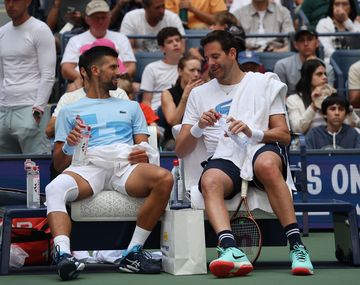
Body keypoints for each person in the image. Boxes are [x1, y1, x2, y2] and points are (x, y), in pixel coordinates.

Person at [175, 30, 314, 278]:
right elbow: (181, 150)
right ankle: (230, 249)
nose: (211, 64)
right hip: (224, 157)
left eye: (216, 56)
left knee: (268, 165)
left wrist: (254, 132)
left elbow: (283, 135)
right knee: (209, 180)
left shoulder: (263, 84)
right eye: (207, 58)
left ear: (232, 53)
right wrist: (199, 127)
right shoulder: (198, 94)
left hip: (259, 147)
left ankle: (297, 247)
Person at [46, 46, 172, 281]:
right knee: (54, 188)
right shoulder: (68, 111)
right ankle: (63, 255)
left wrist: (142, 154)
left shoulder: (132, 107)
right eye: (113, 67)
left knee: (164, 178)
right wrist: (68, 146)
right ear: (94, 70)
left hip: (124, 167)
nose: (119, 72)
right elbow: (59, 164)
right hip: (86, 168)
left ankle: (132, 253)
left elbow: (143, 147)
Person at [0, 0, 56, 154]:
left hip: (30, 108)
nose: (10, 5)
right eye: (7, 0)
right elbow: (1, 75)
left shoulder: (40, 29)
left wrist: (38, 108)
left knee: (36, 169)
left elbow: (48, 74)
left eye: (15, 0)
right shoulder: (2, 32)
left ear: (27, 2)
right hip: (4, 110)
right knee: (5, 172)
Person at [61, 0, 136, 91]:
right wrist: (87, 79)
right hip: (84, 82)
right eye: (96, 18)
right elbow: (66, 69)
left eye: (103, 17)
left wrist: (115, 78)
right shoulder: (75, 40)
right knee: (72, 88)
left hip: (116, 82)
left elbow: (131, 66)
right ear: (87, 20)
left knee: (133, 87)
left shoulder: (121, 38)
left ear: (109, 17)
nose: (100, 21)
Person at [273, 25, 335, 95]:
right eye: (302, 40)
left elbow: (328, 96)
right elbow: (279, 97)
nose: (306, 43)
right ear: (296, 45)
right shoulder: (282, 66)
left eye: (310, 39)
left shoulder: (327, 68)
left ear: (317, 42)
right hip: (291, 104)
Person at [160, 54, 203, 150]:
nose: (196, 74)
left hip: (200, 135)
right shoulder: (168, 93)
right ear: (180, 71)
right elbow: (174, 122)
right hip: (174, 138)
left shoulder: (204, 91)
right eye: (192, 70)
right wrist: (185, 98)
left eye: (199, 71)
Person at [140, 27, 184, 111]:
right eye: (170, 42)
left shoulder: (190, 66)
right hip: (158, 111)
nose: (175, 44)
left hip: (183, 110)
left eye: (177, 40)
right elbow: (146, 102)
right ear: (162, 48)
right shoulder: (151, 68)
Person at [287, 59, 335, 133]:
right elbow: (297, 129)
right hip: (309, 141)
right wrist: (314, 106)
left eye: (325, 74)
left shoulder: (331, 95)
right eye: (319, 74)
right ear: (308, 77)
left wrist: (344, 104)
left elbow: (354, 123)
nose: (324, 77)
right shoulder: (293, 99)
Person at [120, 0, 185, 52]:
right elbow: (126, 51)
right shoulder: (131, 18)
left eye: (163, 6)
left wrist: (138, 51)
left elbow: (182, 48)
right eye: (157, 8)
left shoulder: (173, 18)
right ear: (145, 7)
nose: (162, 11)